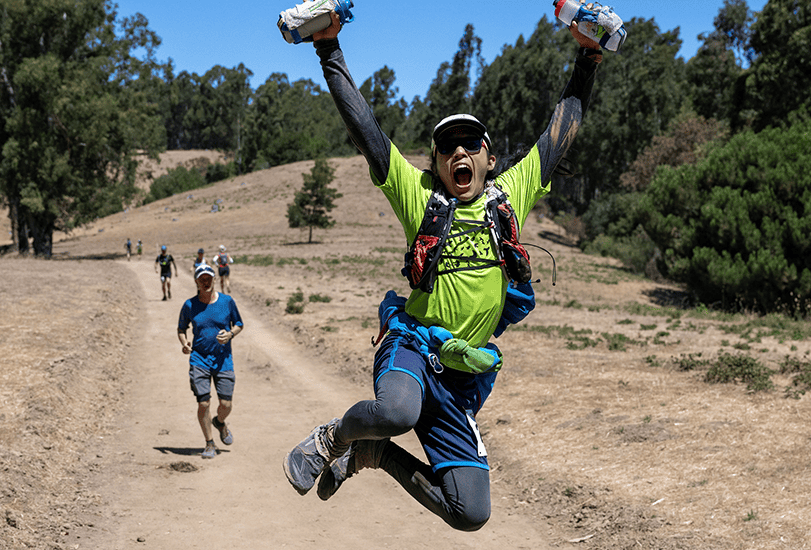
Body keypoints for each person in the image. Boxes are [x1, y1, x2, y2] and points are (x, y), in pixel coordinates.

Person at [281, 13, 603, 531]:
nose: (459, 151)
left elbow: (559, 133)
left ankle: (373, 456)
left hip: (462, 372)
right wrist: (328, 50)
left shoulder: (510, 199)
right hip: (412, 345)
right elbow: (366, 130)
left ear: (489, 158)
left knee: (471, 512)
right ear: (434, 162)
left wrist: (588, 57)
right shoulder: (421, 200)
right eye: (447, 146)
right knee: (396, 414)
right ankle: (330, 439)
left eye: (470, 144)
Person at [177, 264, 244, 459]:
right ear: (196, 282)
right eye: (201, 279)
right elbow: (181, 329)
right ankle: (209, 443)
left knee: (226, 404)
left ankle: (220, 422)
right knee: (203, 404)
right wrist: (184, 343)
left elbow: (239, 324)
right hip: (199, 360)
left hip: (223, 361)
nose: (205, 282)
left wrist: (230, 334)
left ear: (214, 280)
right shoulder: (189, 305)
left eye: (209, 278)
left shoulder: (227, 301)